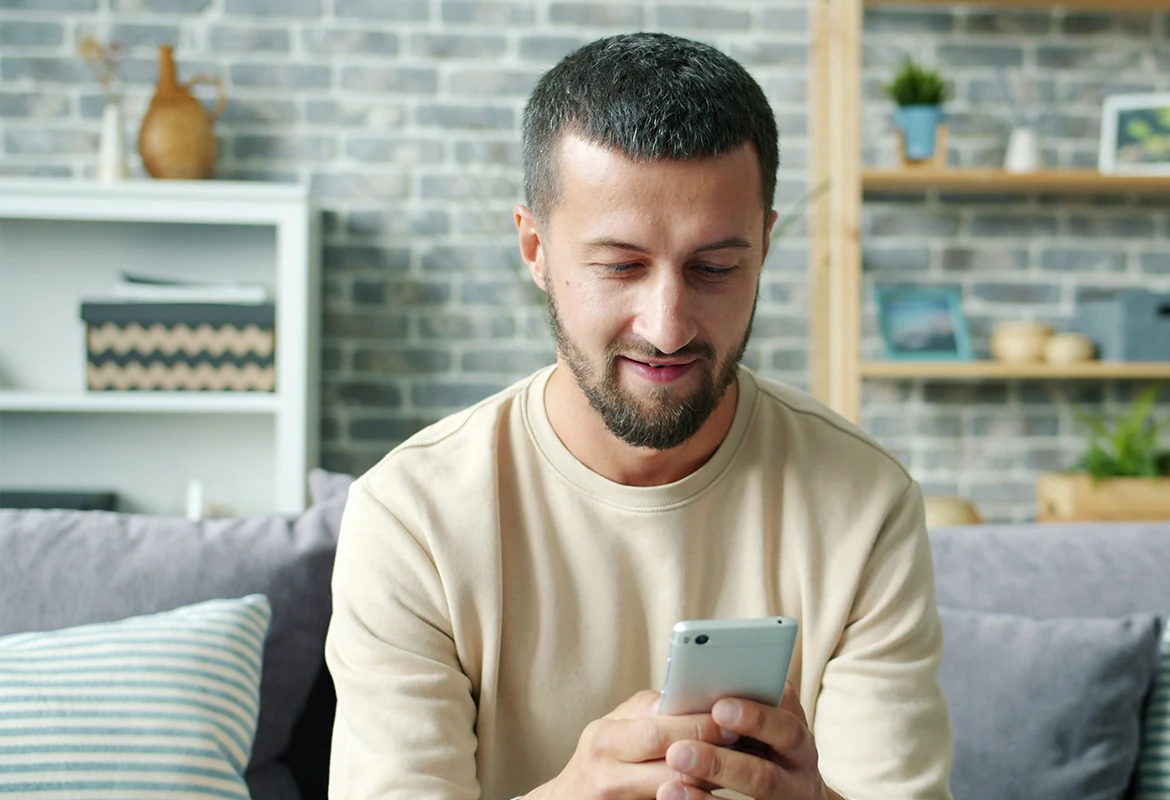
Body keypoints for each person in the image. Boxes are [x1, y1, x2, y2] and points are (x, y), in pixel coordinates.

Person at [325, 32, 954, 800]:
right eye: (620, 266)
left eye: (714, 268)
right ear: (535, 248)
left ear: (764, 247)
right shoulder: (412, 517)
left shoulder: (866, 504)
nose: (668, 326)